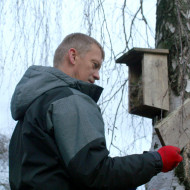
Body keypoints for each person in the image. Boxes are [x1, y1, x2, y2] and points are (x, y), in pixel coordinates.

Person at [9, 33, 183, 190]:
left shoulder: (32, 107)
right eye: (94, 65)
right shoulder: (71, 100)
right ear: (73, 56)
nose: (98, 75)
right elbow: (97, 173)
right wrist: (157, 160)